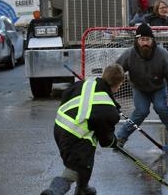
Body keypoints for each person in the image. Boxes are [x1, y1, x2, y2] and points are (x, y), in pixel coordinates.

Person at [40, 64, 125, 195]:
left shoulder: (85, 83)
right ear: (119, 84)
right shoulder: (109, 110)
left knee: (85, 159)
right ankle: (54, 191)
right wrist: (113, 141)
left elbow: (66, 95)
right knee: (77, 166)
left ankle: (83, 188)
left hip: (59, 127)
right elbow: (105, 140)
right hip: (75, 135)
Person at [115, 23, 168, 147]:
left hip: (158, 87)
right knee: (141, 111)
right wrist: (106, 90)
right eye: (142, 39)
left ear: (152, 40)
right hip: (139, 88)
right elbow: (115, 71)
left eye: (147, 39)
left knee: (161, 107)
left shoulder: (162, 54)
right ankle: (121, 137)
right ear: (137, 40)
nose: (145, 43)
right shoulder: (129, 54)